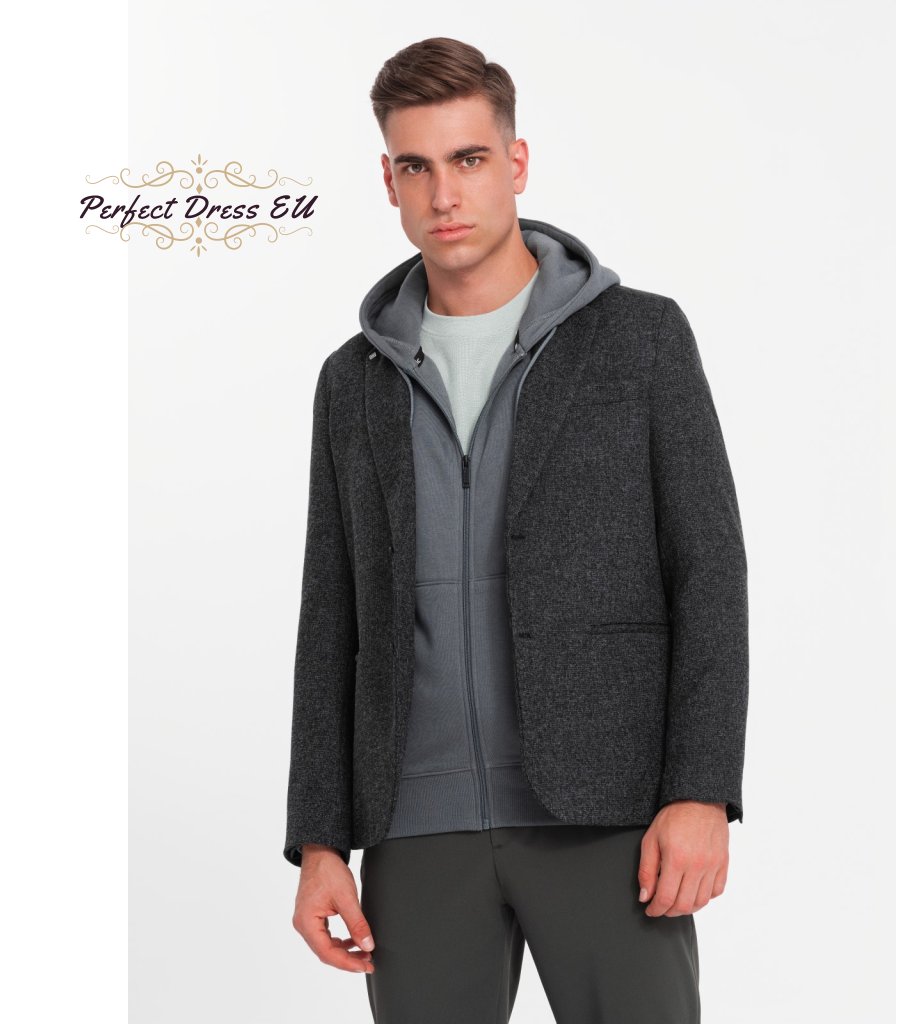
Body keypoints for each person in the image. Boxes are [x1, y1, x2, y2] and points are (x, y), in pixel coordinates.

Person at [284, 36, 748, 1024]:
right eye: (416, 166)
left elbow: (708, 571)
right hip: (414, 827)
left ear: (516, 162)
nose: (444, 193)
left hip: (606, 814)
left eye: (469, 158)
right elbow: (332, 617)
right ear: (388, 181)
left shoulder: (640, 341)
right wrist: (320, 841)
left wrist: (701, 790)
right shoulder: (351, 382)